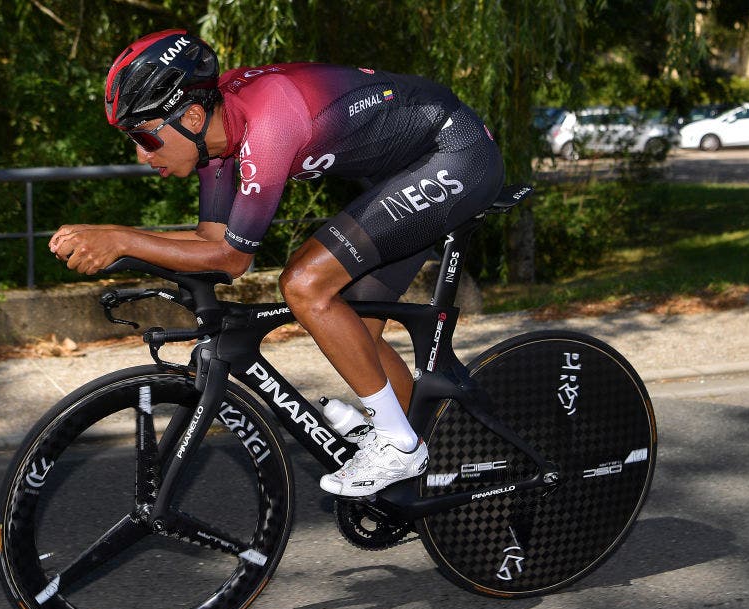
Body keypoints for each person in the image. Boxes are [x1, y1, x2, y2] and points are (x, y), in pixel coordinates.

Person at [49, 29, 504, 497]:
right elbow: (211, 241)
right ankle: (427, 454)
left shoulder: (268, 122)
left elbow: (232, 259)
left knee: (305, 284)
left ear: (191, 116)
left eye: (144, 137)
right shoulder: (216, 135)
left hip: (456, 153)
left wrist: (121, 238)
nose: (142, 154)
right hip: (404, 169)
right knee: (355, 329)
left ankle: (397, 444)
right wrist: (115, 243)